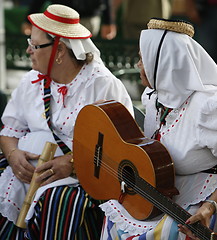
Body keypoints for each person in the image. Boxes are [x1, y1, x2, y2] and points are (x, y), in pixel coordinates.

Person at [99, 18, 217, 240]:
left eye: (142, 59)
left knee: (170, 232)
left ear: (163, 62)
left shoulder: (212, 103)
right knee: (114, 216)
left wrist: (208, 208)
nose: (139, 65)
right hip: (170, 189)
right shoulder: (153, 97)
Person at [0, 4, 133, 239]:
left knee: (59, 202)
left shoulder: (102, 86)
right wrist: (13, 155)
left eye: (34, 45)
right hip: (31, 172)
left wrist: (72, 164)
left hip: (86, 178)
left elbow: (119, 150)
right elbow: (10, 131)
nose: (29, 50)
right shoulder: (31, 81)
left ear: (59, 51)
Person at [21, 0, 117, 40]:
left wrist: (108, 21)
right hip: (61, 16)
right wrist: (28, 20)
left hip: (88, 17)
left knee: (84, 56)